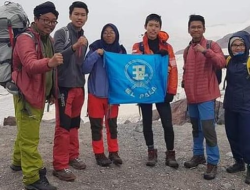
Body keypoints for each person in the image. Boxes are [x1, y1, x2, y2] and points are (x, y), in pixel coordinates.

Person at [10, 2, 62, 190]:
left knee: (26, 130)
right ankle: (32, 179)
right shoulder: (26, 38)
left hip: (40, 93)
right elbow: (31, 65)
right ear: (36, 19)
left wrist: (52, 92)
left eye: (53, 21)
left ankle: (17, 162)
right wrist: (50, 62)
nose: (49, 24)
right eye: (45, 20)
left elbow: (51, 72)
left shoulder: (49, 39)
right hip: (27, 93)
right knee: (30, 137)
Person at [132, 14, 179, 168]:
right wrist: (154, 58)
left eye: (156, 25)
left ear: (160, 28)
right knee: (147, 123)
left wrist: (171, 90)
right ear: (145, 26)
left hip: (162, 91)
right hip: (145, 90)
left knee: (167, 124)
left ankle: (170, 153)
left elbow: (174, 70)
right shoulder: (136, 47)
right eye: (150, 25)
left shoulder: (168, 47)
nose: (153, 28)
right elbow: (135, 68)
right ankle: (151, 151)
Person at [182, 14, 226, 180]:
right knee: (196, 129)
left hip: (206, 95)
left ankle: (213, 162)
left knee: (208, 129)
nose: (196, 29)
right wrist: (183, 81)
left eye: (199, 27)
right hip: (192, 97)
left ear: (204, 29)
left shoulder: (211, 45)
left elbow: (221, 62)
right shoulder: (187, 50)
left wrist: (205, 51)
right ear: (189, 30)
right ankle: (198, 155)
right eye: (193, 27)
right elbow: (186, 69)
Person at [52, 1, 88, 182]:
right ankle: (59, 166)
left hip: (79, 87)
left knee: (74, 124)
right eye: (76, 14)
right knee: (63, 126)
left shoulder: (84, 38)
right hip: (64, 88)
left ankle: (73, 156)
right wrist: (74, 47)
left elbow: (81, 65)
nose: (79, 17)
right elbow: (57, 57)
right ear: (70, 15)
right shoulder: (61, 33)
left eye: (83, 15)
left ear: (86, 17)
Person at [82, 23, 126, 167]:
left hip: (113, 96)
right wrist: (96, 54)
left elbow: (126, 71)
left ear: (116, 34)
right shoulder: (94, 48)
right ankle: (99, 153)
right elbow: (85, 68)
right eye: (105, 32)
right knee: (96, 126)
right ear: (102, 34)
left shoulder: (120, 51)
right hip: (96, 94)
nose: (108, 34)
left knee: (112, 125)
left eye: (112, 32)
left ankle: (114, 152)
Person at [223, 31, 250, 185]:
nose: (238, 47)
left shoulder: (249, 61)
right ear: (230, 47)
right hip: (230, 105)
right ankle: (239, 162)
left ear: (246, 46)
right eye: (234, 45)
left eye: (241, 45)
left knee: (247, 137)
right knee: (232, 134)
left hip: (246, 106)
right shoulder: (229, 61)